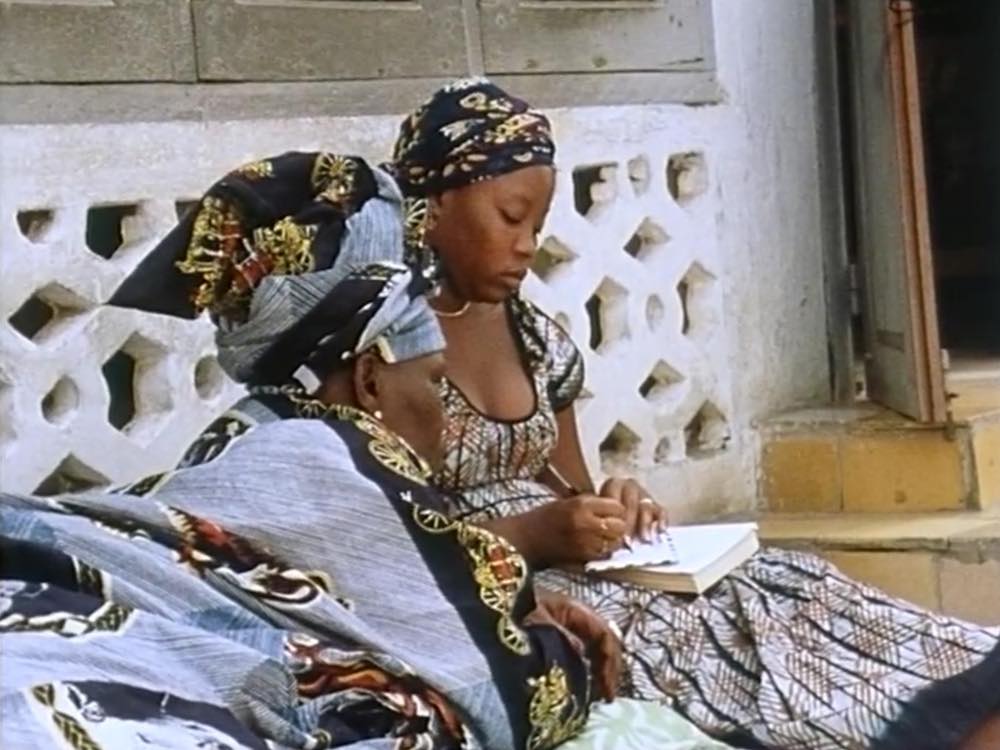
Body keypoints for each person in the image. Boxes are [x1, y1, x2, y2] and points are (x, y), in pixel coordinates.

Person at [386, 77, 1000, 749]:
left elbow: (570, 486)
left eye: (538, 224)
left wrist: (616, 507)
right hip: (495, 585)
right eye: (511, 217)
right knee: (688, 634)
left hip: (577, 562)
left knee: (781, 581)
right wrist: (535, 534)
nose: (529, 244)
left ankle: (962, 695)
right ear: (437, 201)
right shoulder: (386, 356)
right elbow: (385, 547)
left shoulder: (534, 339)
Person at [1, 153, 611, 750]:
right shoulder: (333, 455)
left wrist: (513, 605)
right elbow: (503, 702)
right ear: (371, 378)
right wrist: (565, 653)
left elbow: (377, 602)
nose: (445, 415)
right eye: (433, 382)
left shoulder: (248, 434)